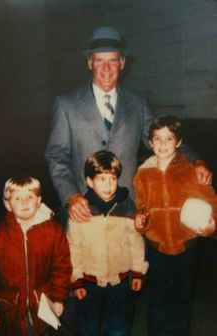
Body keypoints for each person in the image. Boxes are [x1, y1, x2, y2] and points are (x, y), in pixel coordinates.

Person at [45, 26, 212, 224]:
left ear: (122, 63)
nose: (106, 68)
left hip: (127, 211)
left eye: (113, 60)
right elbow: (56, 155)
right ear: (89, 62)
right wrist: (70, 196)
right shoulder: (66, 104)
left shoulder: (138, 103)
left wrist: (196, 161)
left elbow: (164, 139)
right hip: (83, 212)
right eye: (99, 60)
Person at [133, 115, 217, 336]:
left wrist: (212, 227)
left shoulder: (191, 171)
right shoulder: (142, 174)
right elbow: (141, 207)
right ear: (149, 142)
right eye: (157, 138)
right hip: (156, 247)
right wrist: (141, 223)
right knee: (158, 297)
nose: (162, 144)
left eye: (169, 138)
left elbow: (211, 202)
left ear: (179, 142)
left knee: (182, 296)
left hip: (186, 247)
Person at [66, 150, 149, 336]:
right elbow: (74, 247)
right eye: (101, 179)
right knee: (88, 325)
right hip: (89, 280)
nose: (108, 185)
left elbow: (135, 241)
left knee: (118, 325)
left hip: (119, 279)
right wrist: (76, 279)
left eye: (112, 178)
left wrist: (137, 272)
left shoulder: (126, 206)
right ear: (89, 181)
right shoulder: (82, 210)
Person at [0, 176, 72, 336]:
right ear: (8, 204)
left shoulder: (54, 232)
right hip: (9, 309)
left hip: (43, 304)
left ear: (38, 201)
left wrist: (58, 298)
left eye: (30, 197)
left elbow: (62, 268)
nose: (24, 202)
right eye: (17, 198)